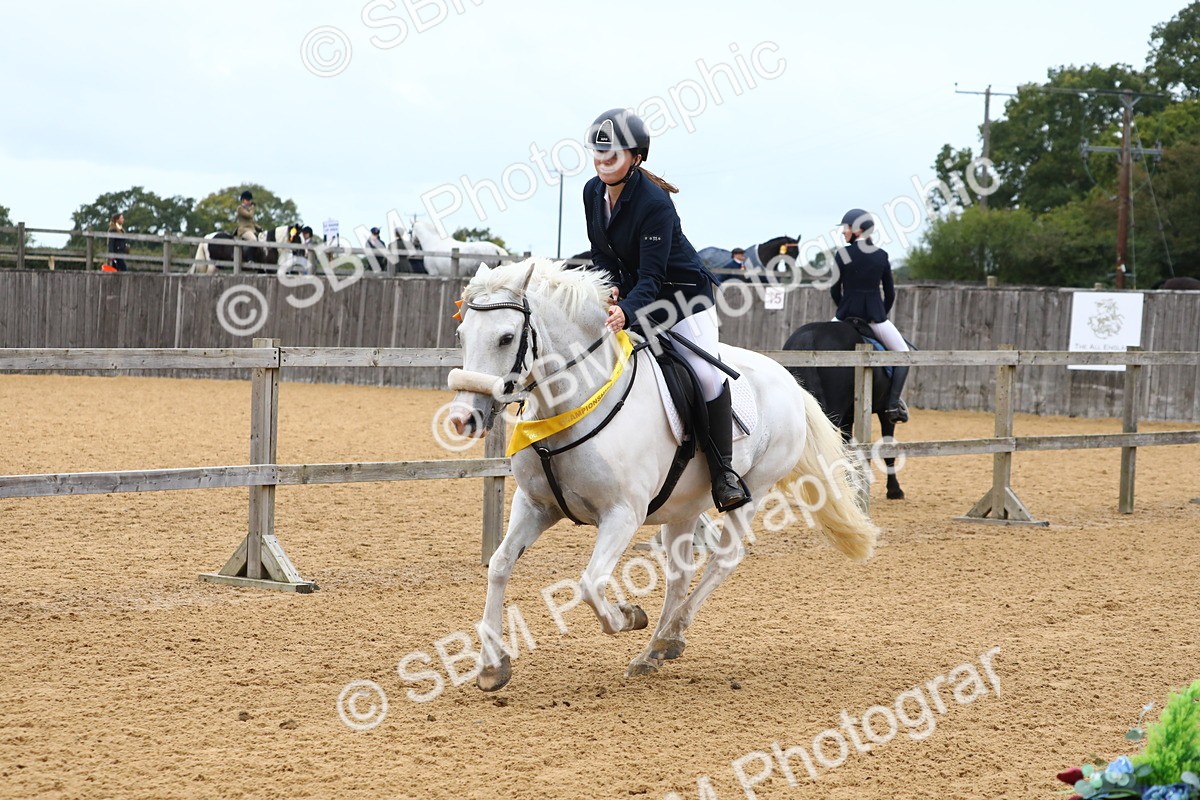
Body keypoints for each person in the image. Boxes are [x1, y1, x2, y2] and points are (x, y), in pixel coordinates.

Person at [583, 108, 749, 512]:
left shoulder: (654, 203)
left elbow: (655, 277)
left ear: (636, 157)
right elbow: (600, 254)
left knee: (707, 375)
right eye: (598, 154)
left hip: (684, 297)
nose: (603, 163)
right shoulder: (591, 192)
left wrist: (627, 312)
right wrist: (610, 291)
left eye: (613, 156)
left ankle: (724, 471)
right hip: (639, 294)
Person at [829, 208, 910, 422]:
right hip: (874, 319)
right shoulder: (881, 256)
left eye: (845, 228)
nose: (843, 232)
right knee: (903, 354)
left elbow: (834, 290)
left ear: (857, 230)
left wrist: (844, 309)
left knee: (821, 350)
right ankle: (892, 406)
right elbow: (890, 293)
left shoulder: (843, 254)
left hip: (844, 317)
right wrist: (880, 312)